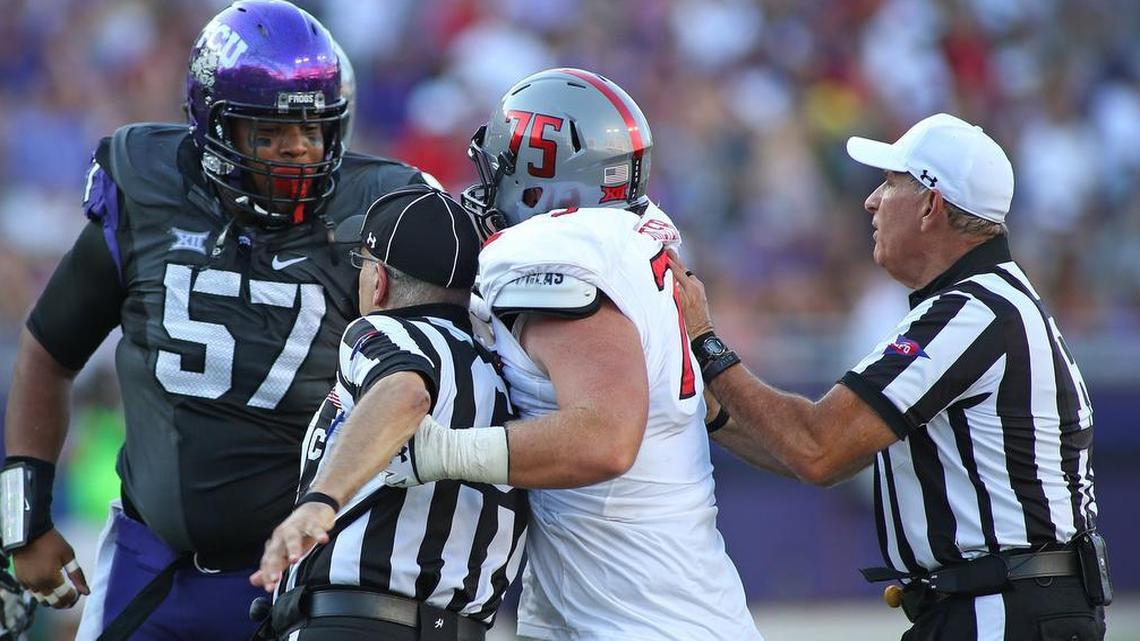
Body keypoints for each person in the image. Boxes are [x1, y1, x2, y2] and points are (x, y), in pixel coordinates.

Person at [0, 2, 436, 639]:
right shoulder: (147, 187)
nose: (297, 154)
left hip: (309, 574)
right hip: (151, 566)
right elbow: (49, 349)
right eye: (270, 135)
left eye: (313, 133)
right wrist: (24, 519)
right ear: (213, 127)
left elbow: (430, 381)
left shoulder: (381, 214)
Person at [668, 113, 1109, 640]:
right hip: (1010, 601)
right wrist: (717, 415)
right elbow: (825, 460)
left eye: (890, 183)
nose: (871, 201)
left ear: (931, 205)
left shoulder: (972, 310)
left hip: (1001, 608)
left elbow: (817, 445)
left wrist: (705, 342)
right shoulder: (988, 301)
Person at [383, 68, 763, 640]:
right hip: (638, 606)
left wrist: (439, 454)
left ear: (540, 181)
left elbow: (606, 438)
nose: (486, 186)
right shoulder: (632, 241)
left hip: (637, 620)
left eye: (502, 169)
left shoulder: (550, 250)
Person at [249, 186, 527, 640]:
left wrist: (321, 502)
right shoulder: (510, 366)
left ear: (378, 279)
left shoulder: (382, 330)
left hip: (357, 623)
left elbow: (405, 392)